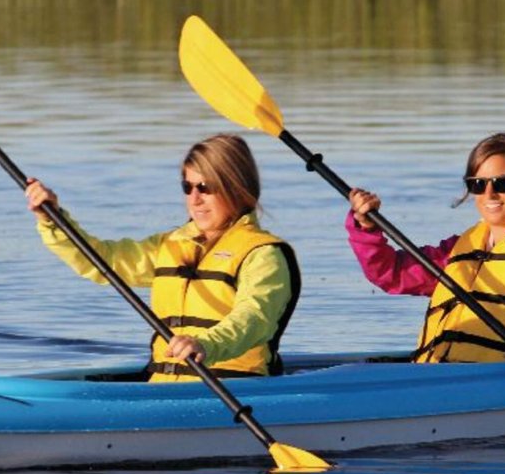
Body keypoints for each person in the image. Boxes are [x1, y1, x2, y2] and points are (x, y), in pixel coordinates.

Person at [26, 134, 300, 383]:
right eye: (187, 186)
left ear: (238, 188)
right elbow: (101, 261)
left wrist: (205, 345)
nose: (195, 199)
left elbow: (253, 320)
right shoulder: (168, 245)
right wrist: (54, 221)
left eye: (206, 187)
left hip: (234, 390)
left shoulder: (264, 256)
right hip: (162, 387)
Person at [346, 132, 505, 363]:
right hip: (441, 376)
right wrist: (365, 226)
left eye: (502, 183)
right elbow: (391, 272)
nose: (489, 194)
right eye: (478, 184)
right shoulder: (458, 250)